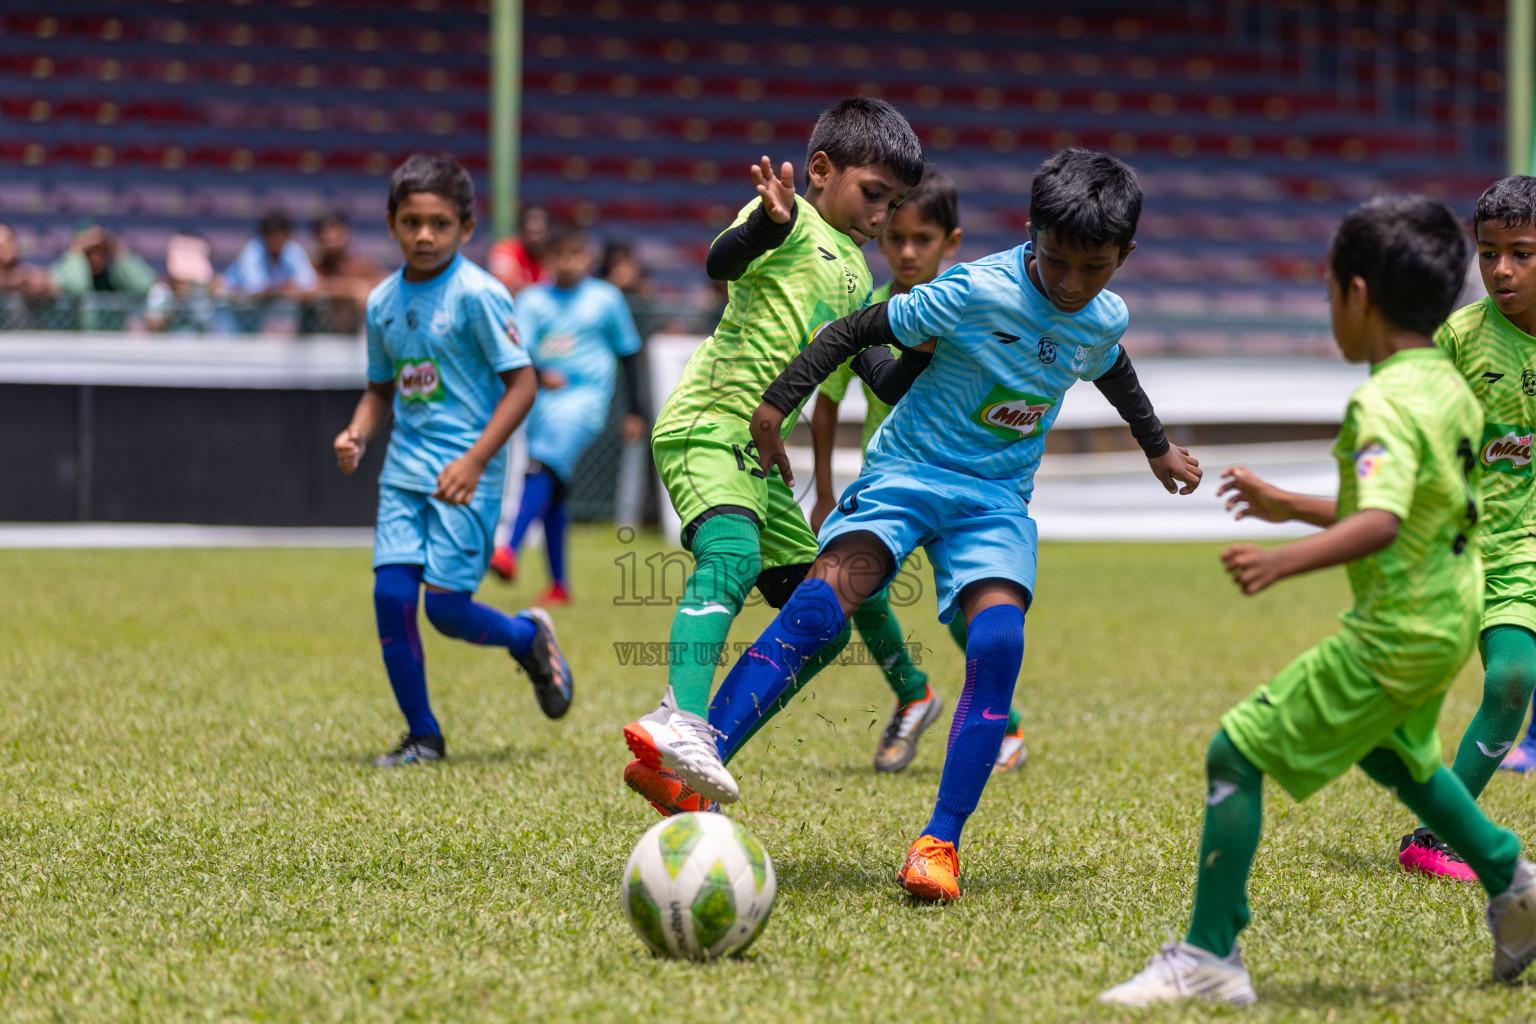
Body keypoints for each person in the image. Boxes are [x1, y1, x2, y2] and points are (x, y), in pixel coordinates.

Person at [667, 149, 1201, 904]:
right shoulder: (971, 289)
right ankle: (694, 769)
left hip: (995, 499)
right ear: (1030, 233)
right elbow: (854, 330)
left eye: (1096, 267)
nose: (1074, 283)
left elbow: (1109, 364)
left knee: (998, 642)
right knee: (818, 610)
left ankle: (939, 842)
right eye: (1057, 262)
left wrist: (1157, 448)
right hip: (905, 478)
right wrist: (773, 407)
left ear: (1126, 256)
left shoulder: (1103, 314)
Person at [1101, 195, 1536, 1008]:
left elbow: (1382, 518)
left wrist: (1282, 561)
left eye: (1331, 290)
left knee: (1236, 752)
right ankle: (1515, 884)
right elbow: (1423, 504)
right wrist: (1289, 505)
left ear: (1359, 297)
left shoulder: (1384, 401)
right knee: (1398, 757)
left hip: (1396, 630)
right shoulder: (1447, 384)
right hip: (1447, 614)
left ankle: (1208, 956)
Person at [620, 96, 927, 816]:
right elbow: (717, 261)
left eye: (894, 203)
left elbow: (879, 376)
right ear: (821, 170)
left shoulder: (857, 276)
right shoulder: (785, 223)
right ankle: (680, 719)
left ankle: (695, 765)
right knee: (728, 557)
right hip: (707, 422)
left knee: (821, 617)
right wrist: (766, 223)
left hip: (760, 459)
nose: (882, 216)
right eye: (874, 194)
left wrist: (924, 350)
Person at [332, 154, 572, 768]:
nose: (424, 235)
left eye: (439, 223)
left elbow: (522, 386)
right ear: (391, 224)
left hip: (469, 476)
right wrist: (358, 433)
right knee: (390, 596)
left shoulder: (480, 296)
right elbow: (381, 388)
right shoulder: (382, 301)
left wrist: (474, 461)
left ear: (466, 228)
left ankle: (528, 638)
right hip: (405, 472)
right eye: (411, 222)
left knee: (444, 610)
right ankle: (423, 736)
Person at [810, 167, 1026, 775]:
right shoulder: (868, 312)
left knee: (971, 609)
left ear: (950, 243)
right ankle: (913, 694)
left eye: (922, 239)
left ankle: (1001, 723)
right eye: (896, 237)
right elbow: (828, 403)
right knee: (855, 586)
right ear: (880, 238)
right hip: (893, 486)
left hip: (965, 484)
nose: (908, 251)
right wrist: (825, 492)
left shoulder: (976, 305)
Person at [1367, 175, 1536, 876]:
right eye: (1488, 252)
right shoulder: (1460, 339)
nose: (1500, 269)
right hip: (1455, 546)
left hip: (1524, 551)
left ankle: (1432, 838)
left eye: (1521, 253)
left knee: (1511, 681)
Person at [487, 222, 647, 604]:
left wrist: (636, 411)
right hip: (541, 403)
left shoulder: (606, 298)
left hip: (586, 401)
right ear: (549, 260)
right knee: (554, 488)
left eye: (576, 254)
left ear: (588, 257)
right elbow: (517, 354)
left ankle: (508, 549)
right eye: (560, 255)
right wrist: (541, 374)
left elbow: (629, 354)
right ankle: (560, 586)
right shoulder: (532, 301)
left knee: (540, 466)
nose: (569, 263)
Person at [50, 223, 156, 329]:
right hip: (71, 341)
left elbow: (143, 286)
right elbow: (77, 287)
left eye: (101, 251)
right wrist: (76, 252)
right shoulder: (64, 271)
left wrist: (118, 250)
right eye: (90, 251)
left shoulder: (114, 278)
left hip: (110, 341)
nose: (96, 257)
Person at [310, 211, 384, 334]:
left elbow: (385, 283)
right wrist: (350, 289)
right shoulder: (311, 268)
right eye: (324, 232)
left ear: (346, 234)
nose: (329, 237)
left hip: (355, 337)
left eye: (334, 231)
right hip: (318, 336)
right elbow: (305, 289)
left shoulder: (361, 267)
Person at [224, 210, 319, 300]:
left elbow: (310, 285)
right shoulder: (252, 250)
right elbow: (254, 290)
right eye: (272, 235)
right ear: (263, 235)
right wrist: (284, 289)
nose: (276, 240)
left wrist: (292, 290)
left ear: (288, 235)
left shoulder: (294, 250)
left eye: (280, 235)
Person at [144, 232, 218, 334]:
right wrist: (173, 304)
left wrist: (214, 298)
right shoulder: (162, 291)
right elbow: (153, 325)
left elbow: (206, 325)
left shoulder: (202, 292)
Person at [487, 205, 550, 295]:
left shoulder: (551, 255)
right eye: (531, 232)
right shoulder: (506, 251)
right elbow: (502, 290)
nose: (535, 239)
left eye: (539, 232)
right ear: (521, 231)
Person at [0, 222, 55, 302]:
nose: (6, 246)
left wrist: (26, 281)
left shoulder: (28, 276)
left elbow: (50, 286)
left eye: (10, 240)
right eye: (1, 244)